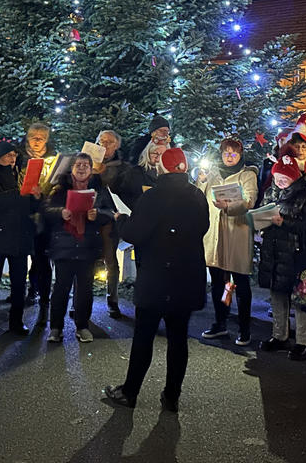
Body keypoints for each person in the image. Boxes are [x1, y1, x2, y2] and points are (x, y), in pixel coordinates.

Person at [104, 148, 209, 412]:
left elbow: (135, 233)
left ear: (161, 168)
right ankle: (172, 396)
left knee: (144, 337)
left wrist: (122, 220)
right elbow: (203, 227)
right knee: (178, 339)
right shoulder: (197, 195)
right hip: (186, 277)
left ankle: (130, 392)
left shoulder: (153, 197)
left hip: (157, 277)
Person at [43, 153, 113, 343]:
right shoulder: (60, 189)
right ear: (71, 168)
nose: (81, 168)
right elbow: (46, 210)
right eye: (78, 165)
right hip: (64, 244)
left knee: (85, 289)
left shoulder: (99, 189)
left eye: (86, 165)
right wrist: (61, 212)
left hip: (88, 245)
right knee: (60, 289)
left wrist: (97, 215)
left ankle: (82, 326)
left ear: (91, 169)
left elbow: (111, 213)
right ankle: (56, 328)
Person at [258, 154, 306, 360]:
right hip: (274, 252)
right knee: (277, 295)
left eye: (284, 178)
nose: (280, 181)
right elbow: (262, 212)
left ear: (295, 177)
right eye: (277, 177)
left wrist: (283, 223)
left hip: (298, 256)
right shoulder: (271, 192)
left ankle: (304, 341)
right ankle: (279, 335)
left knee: (300, 299)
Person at [198, 137, 258, 346]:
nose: (229, 157)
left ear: (240, 155)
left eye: (233, 153)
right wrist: (202, 180)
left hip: (237, 234)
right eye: (226, 153)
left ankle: (244, 328)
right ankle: (220, 323)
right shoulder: (213, 174)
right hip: (214, 235)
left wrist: (229, 206)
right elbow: (199, 196)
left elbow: (249, 200)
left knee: (240, 283)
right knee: (218, 283)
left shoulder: (247, 175)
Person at [0, 140, 40, 338]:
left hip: (20, 237)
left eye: (14, 155)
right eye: (8, 155)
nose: (12, 159)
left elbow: (30, 207)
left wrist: (36, 197)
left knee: (19, 282)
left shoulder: (20, 175)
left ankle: (16, 321)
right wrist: (20, 194)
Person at [18, 122, 58, 324]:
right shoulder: (19, 158)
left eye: (41, 137)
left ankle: (43, 296)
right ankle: (28, 289)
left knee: (42, 257)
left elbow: (59, 186)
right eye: (34, 137)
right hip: (23, 213)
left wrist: (46, 193)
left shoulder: (54, 160)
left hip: (44, 214)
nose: (37, 141)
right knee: (25, 255)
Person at [94, 129, 131, 318]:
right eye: (101, 141)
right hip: (91, 215)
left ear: (116, 145)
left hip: (111, 216)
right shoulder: (90, 161)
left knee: (111, 260)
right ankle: (78, 300)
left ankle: (113, 301)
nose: (104, 145)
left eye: (108, 142)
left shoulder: (122, 166)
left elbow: (121, 187)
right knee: (85, 260)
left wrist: (104, 171)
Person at [121, 141, 165, 209]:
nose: (158, 158)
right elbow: (125, 196)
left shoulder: (170, 176)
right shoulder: (134, 173)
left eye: (162, 154)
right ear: (147, 153)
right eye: (155, 153)